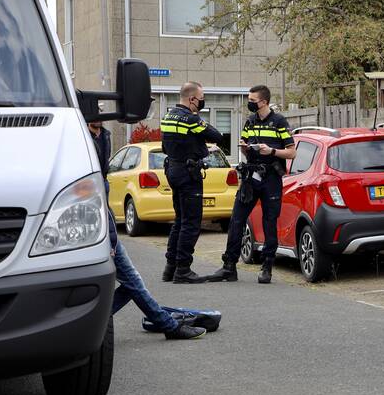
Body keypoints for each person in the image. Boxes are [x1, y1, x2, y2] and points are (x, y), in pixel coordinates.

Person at [88, 116, 205, 340]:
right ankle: (167, 326)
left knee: (133, 281)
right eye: (95, 111)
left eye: (102, 111)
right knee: (133, 281)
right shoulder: (82, 142)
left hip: (105, 227)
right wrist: (111, 240)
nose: (101, 116)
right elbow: (97, 203)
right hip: (98, 231)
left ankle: (94, 320)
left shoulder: (104, 137)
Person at [211, 85, 295, 284]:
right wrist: (244, 148)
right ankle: (229, 266)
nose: (249, 102)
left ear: (264, 102)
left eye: (252, 99)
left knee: (269, 222)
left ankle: (267, 267)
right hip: (250, 176)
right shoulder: (250, 121)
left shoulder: (279, 122)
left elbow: (291, 152)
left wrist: (272, 151)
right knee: (237, 219)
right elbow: (244, 144)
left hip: (271, 179)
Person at [160, 82, 225, 284]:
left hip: (173, 169)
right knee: (191, 223)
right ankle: (183, 270)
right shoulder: (191, 119)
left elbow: (164, 146)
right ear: (192, 99)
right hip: (189, 174)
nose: (203, 101)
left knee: (179, 220)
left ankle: (170, 268)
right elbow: (217, 136)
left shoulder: (167, 116)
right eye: (201, 97)